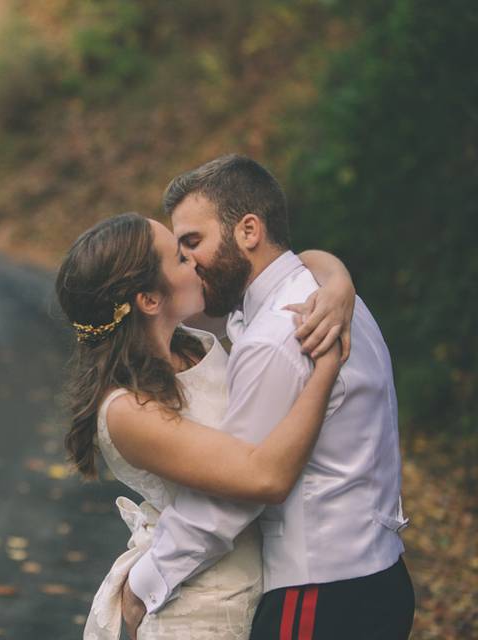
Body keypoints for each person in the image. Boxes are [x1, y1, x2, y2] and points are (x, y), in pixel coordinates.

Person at [120, 154, 414, 639]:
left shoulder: (278, 334)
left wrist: (146, 582)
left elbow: (235, 491)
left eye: (193, 243)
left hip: (319, 595)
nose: (187, 264)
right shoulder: (336, 298)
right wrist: (336, 271)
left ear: (249, 231)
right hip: (378, 578)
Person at [56, 211, 354, 639]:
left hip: (258, 587)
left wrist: (339, 284)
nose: (195, 262)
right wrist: (326, 368)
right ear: (150, 300)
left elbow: (292, 266)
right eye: (179, 258)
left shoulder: (192, 345)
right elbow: (262, 477)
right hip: (196, 610)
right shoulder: (126, 410)